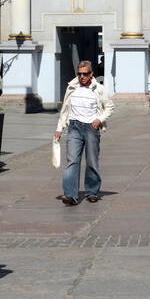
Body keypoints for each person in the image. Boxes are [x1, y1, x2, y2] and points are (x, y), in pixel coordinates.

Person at [54, 60, 114, 203]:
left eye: (85, 74)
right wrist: (59, 129)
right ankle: (70, 195)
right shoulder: (72, 87)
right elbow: (65, 110)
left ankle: (92, 192)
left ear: (91, 73)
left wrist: (99, 120)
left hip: (91, 128)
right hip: (74, 126)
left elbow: (110, 107)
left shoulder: (98, 89)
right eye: (79, 74)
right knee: (72, 161)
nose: (82, 77)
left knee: (92, 162)